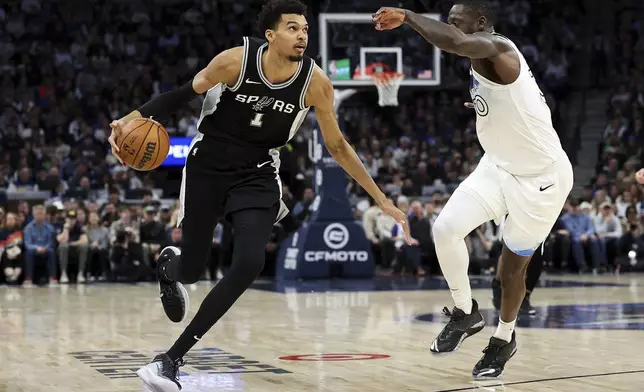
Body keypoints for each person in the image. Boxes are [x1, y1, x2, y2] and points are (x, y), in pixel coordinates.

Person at [108, 1, 410, 390]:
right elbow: (181, 94)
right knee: (193, 270)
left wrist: (381, 199)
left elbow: (338, 146)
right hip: (207, 168)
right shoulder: (235, 61)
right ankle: (171, 269)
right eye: (292, 28)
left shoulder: (316, 84)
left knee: (249, 261)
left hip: (257, 175)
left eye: (304, 29)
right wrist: (131, 119)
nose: (302, 35)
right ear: (270, 35)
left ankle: (169, 360)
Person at [373, 0, 574, 378]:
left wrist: (410, 17)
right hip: (497, 165)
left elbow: (455, 43)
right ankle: (466, 313)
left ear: (480, 23)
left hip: (541, 180)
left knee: (510, 272)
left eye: (456, 20)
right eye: (448, 20)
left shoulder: (497, 47)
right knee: (445, 229)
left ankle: (504, 339)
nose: (451, 25)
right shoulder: (482, 61)